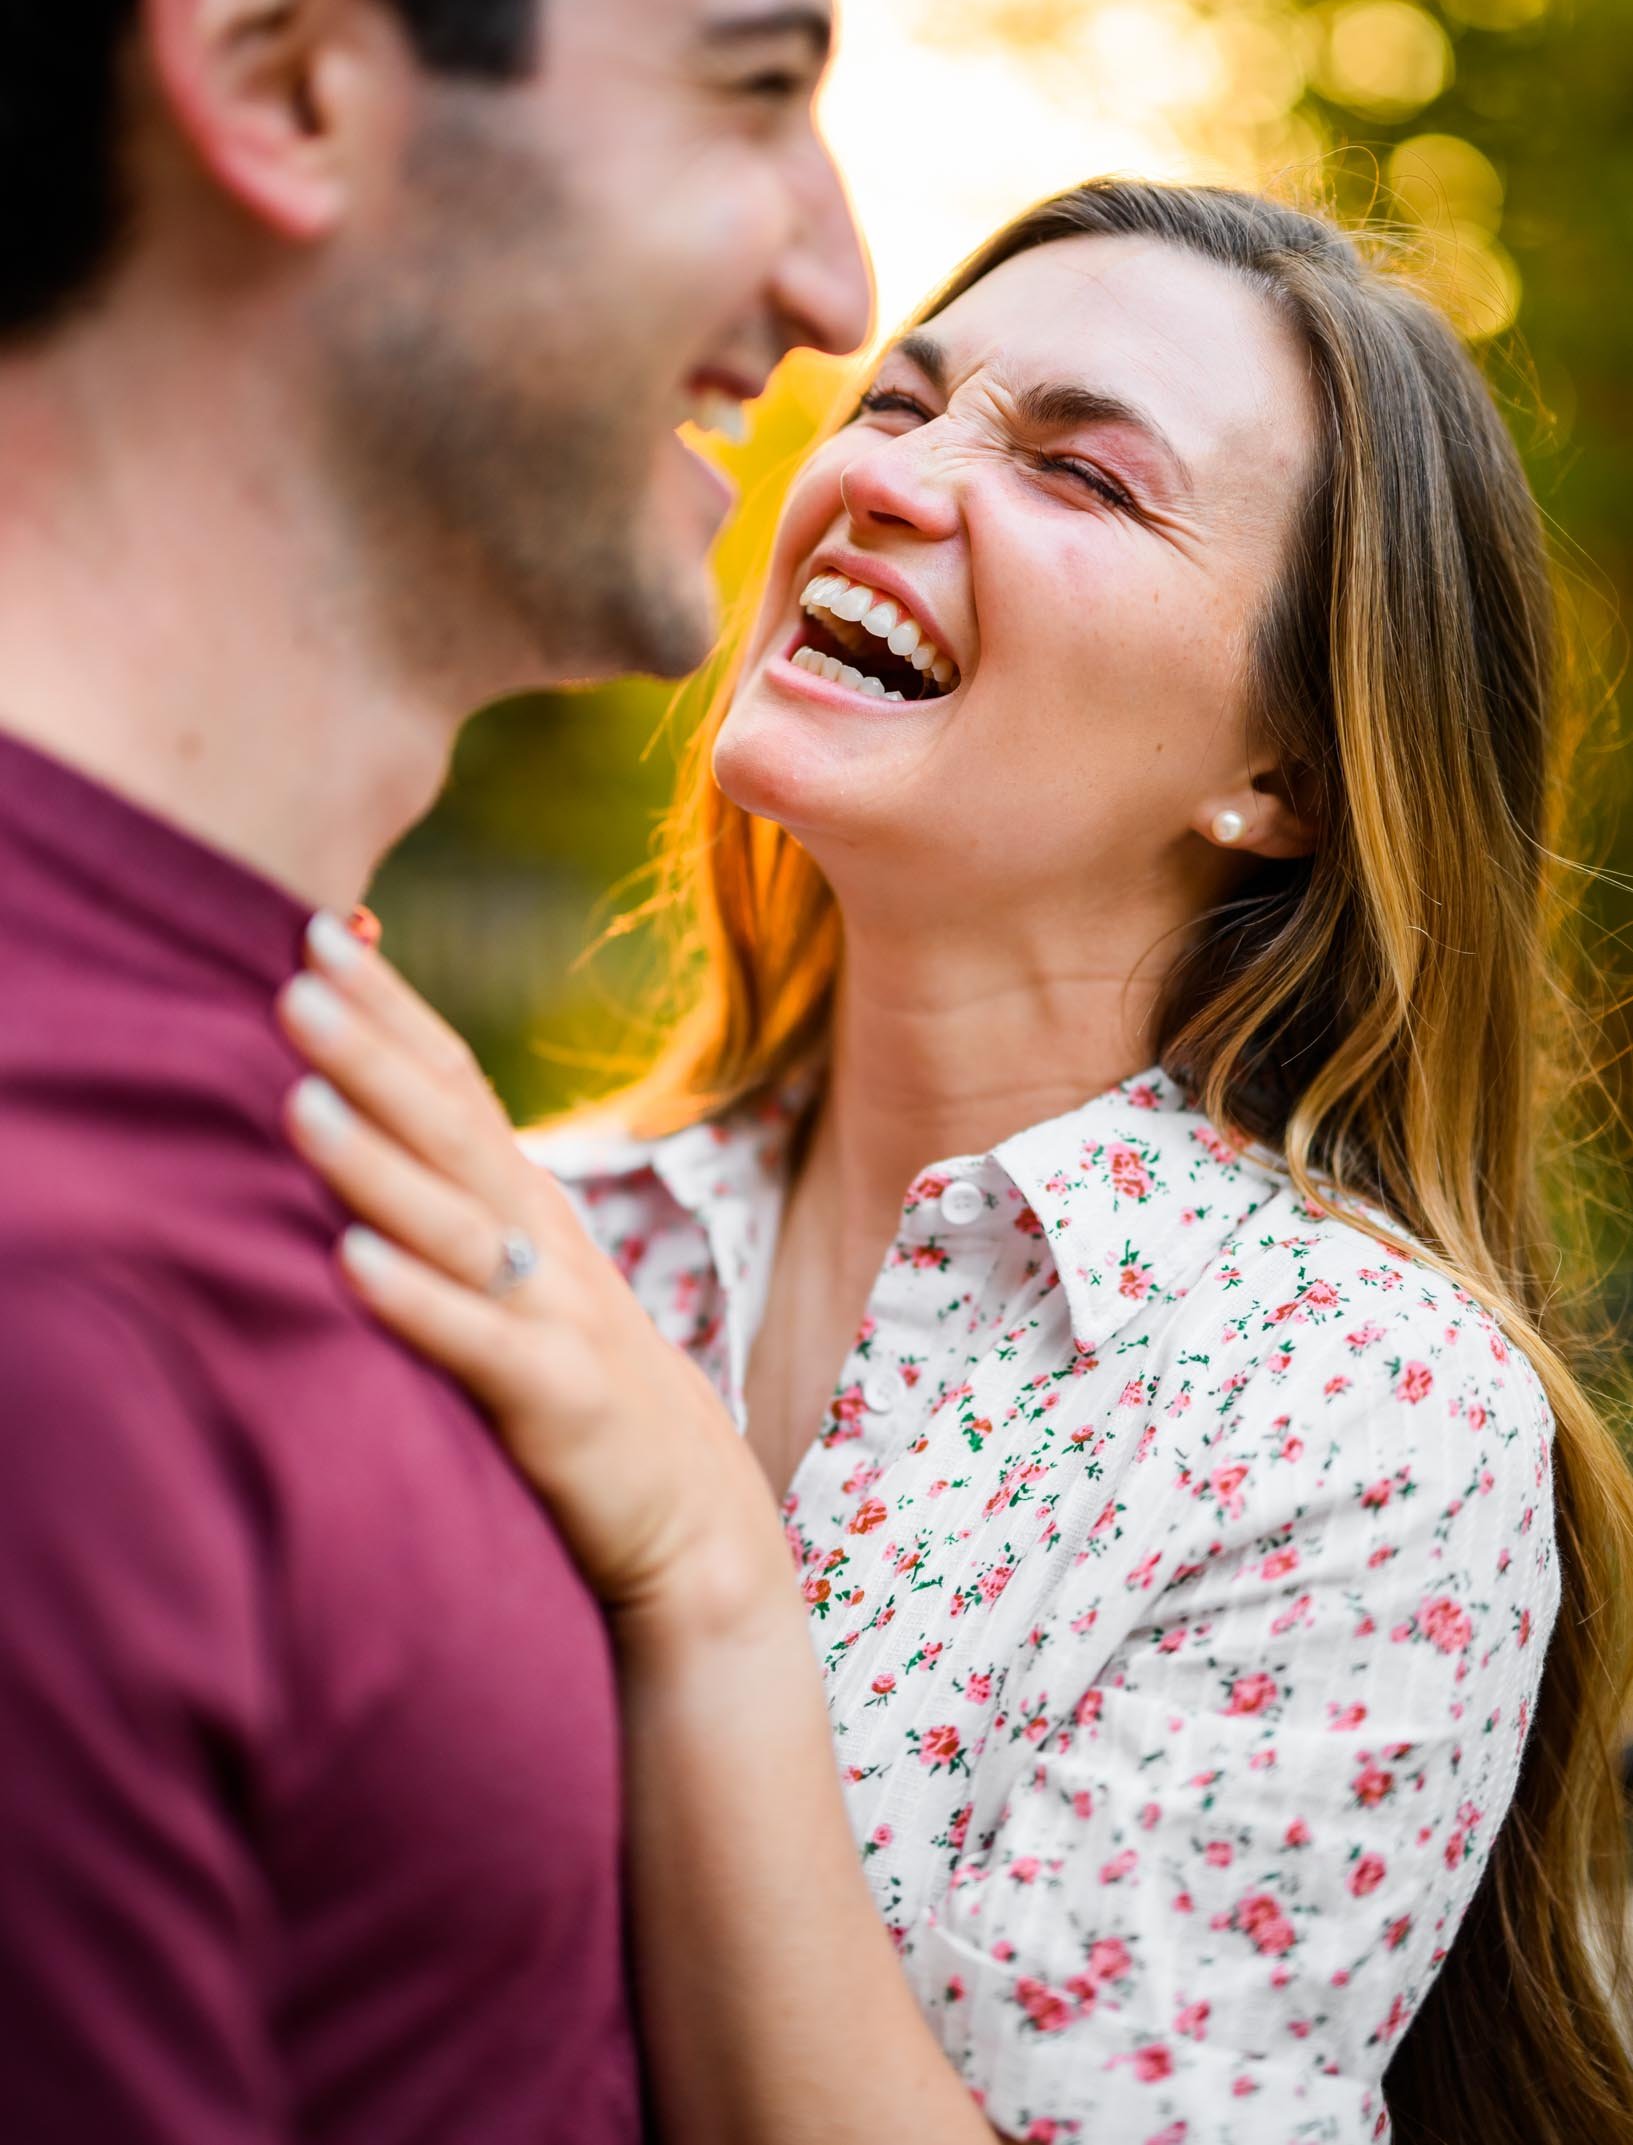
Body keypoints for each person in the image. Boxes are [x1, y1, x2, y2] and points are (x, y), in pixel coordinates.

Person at [279, 180, 1633, 2145]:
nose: (894, 479)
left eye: (1081, 476)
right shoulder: (528, 1230)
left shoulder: (1364, 1422)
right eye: (899, 405)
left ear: (1279, 775)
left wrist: (699, 1566)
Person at [0, 0, 869, 2138]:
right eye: (746, 88)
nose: (837, 277)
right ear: (279, 72)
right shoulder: (56, 1305)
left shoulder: (300, 1044)